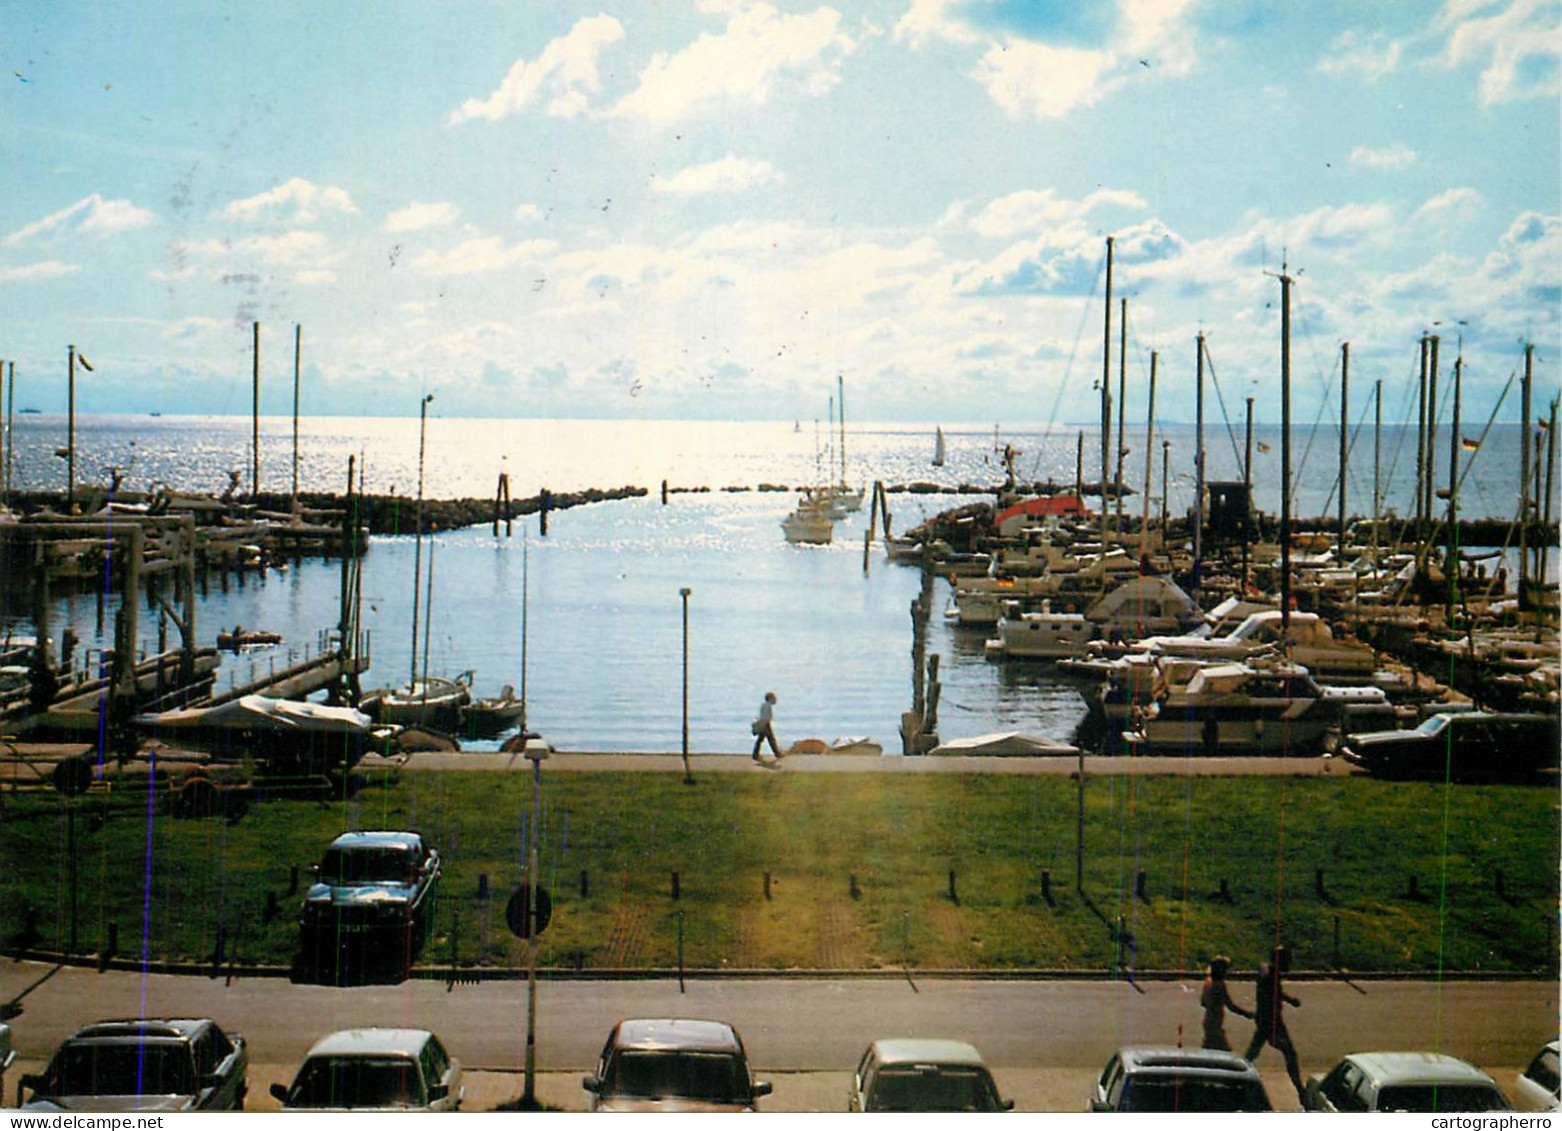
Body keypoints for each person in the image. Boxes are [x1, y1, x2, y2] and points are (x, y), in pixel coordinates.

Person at [1244, 944, 1305, 1103]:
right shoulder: (1271, 977)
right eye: (1287, 960)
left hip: (1268, 1020)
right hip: (1271, 1022)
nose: (1289, 963)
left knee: (1253, 1052)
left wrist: (1290, 1000)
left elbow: (1274, 991)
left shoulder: (1270, 974)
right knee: (1289, 1053)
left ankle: (1239, 1075)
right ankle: (1300, 1089)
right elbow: (1271, 994)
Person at [1199, 955, 1252, 1051]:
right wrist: (1246, 1014)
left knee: (1210, 1052)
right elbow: (1230, 1006)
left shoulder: (1208, 982)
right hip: (1215, 1025)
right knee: (1225, 1052)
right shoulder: (1219, 986)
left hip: (1209, 1022)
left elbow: (1203, 1002)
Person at [751, 691, 781, 761]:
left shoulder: (764, 705)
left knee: (762, 739)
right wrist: (764, 725)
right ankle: (777, 753)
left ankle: (755, 754)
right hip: (765, 724)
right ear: (770, 699)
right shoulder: (768, 706)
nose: (775, 700)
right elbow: (765, 717)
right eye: (774, 698)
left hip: (764, 723)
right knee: (770, 739)